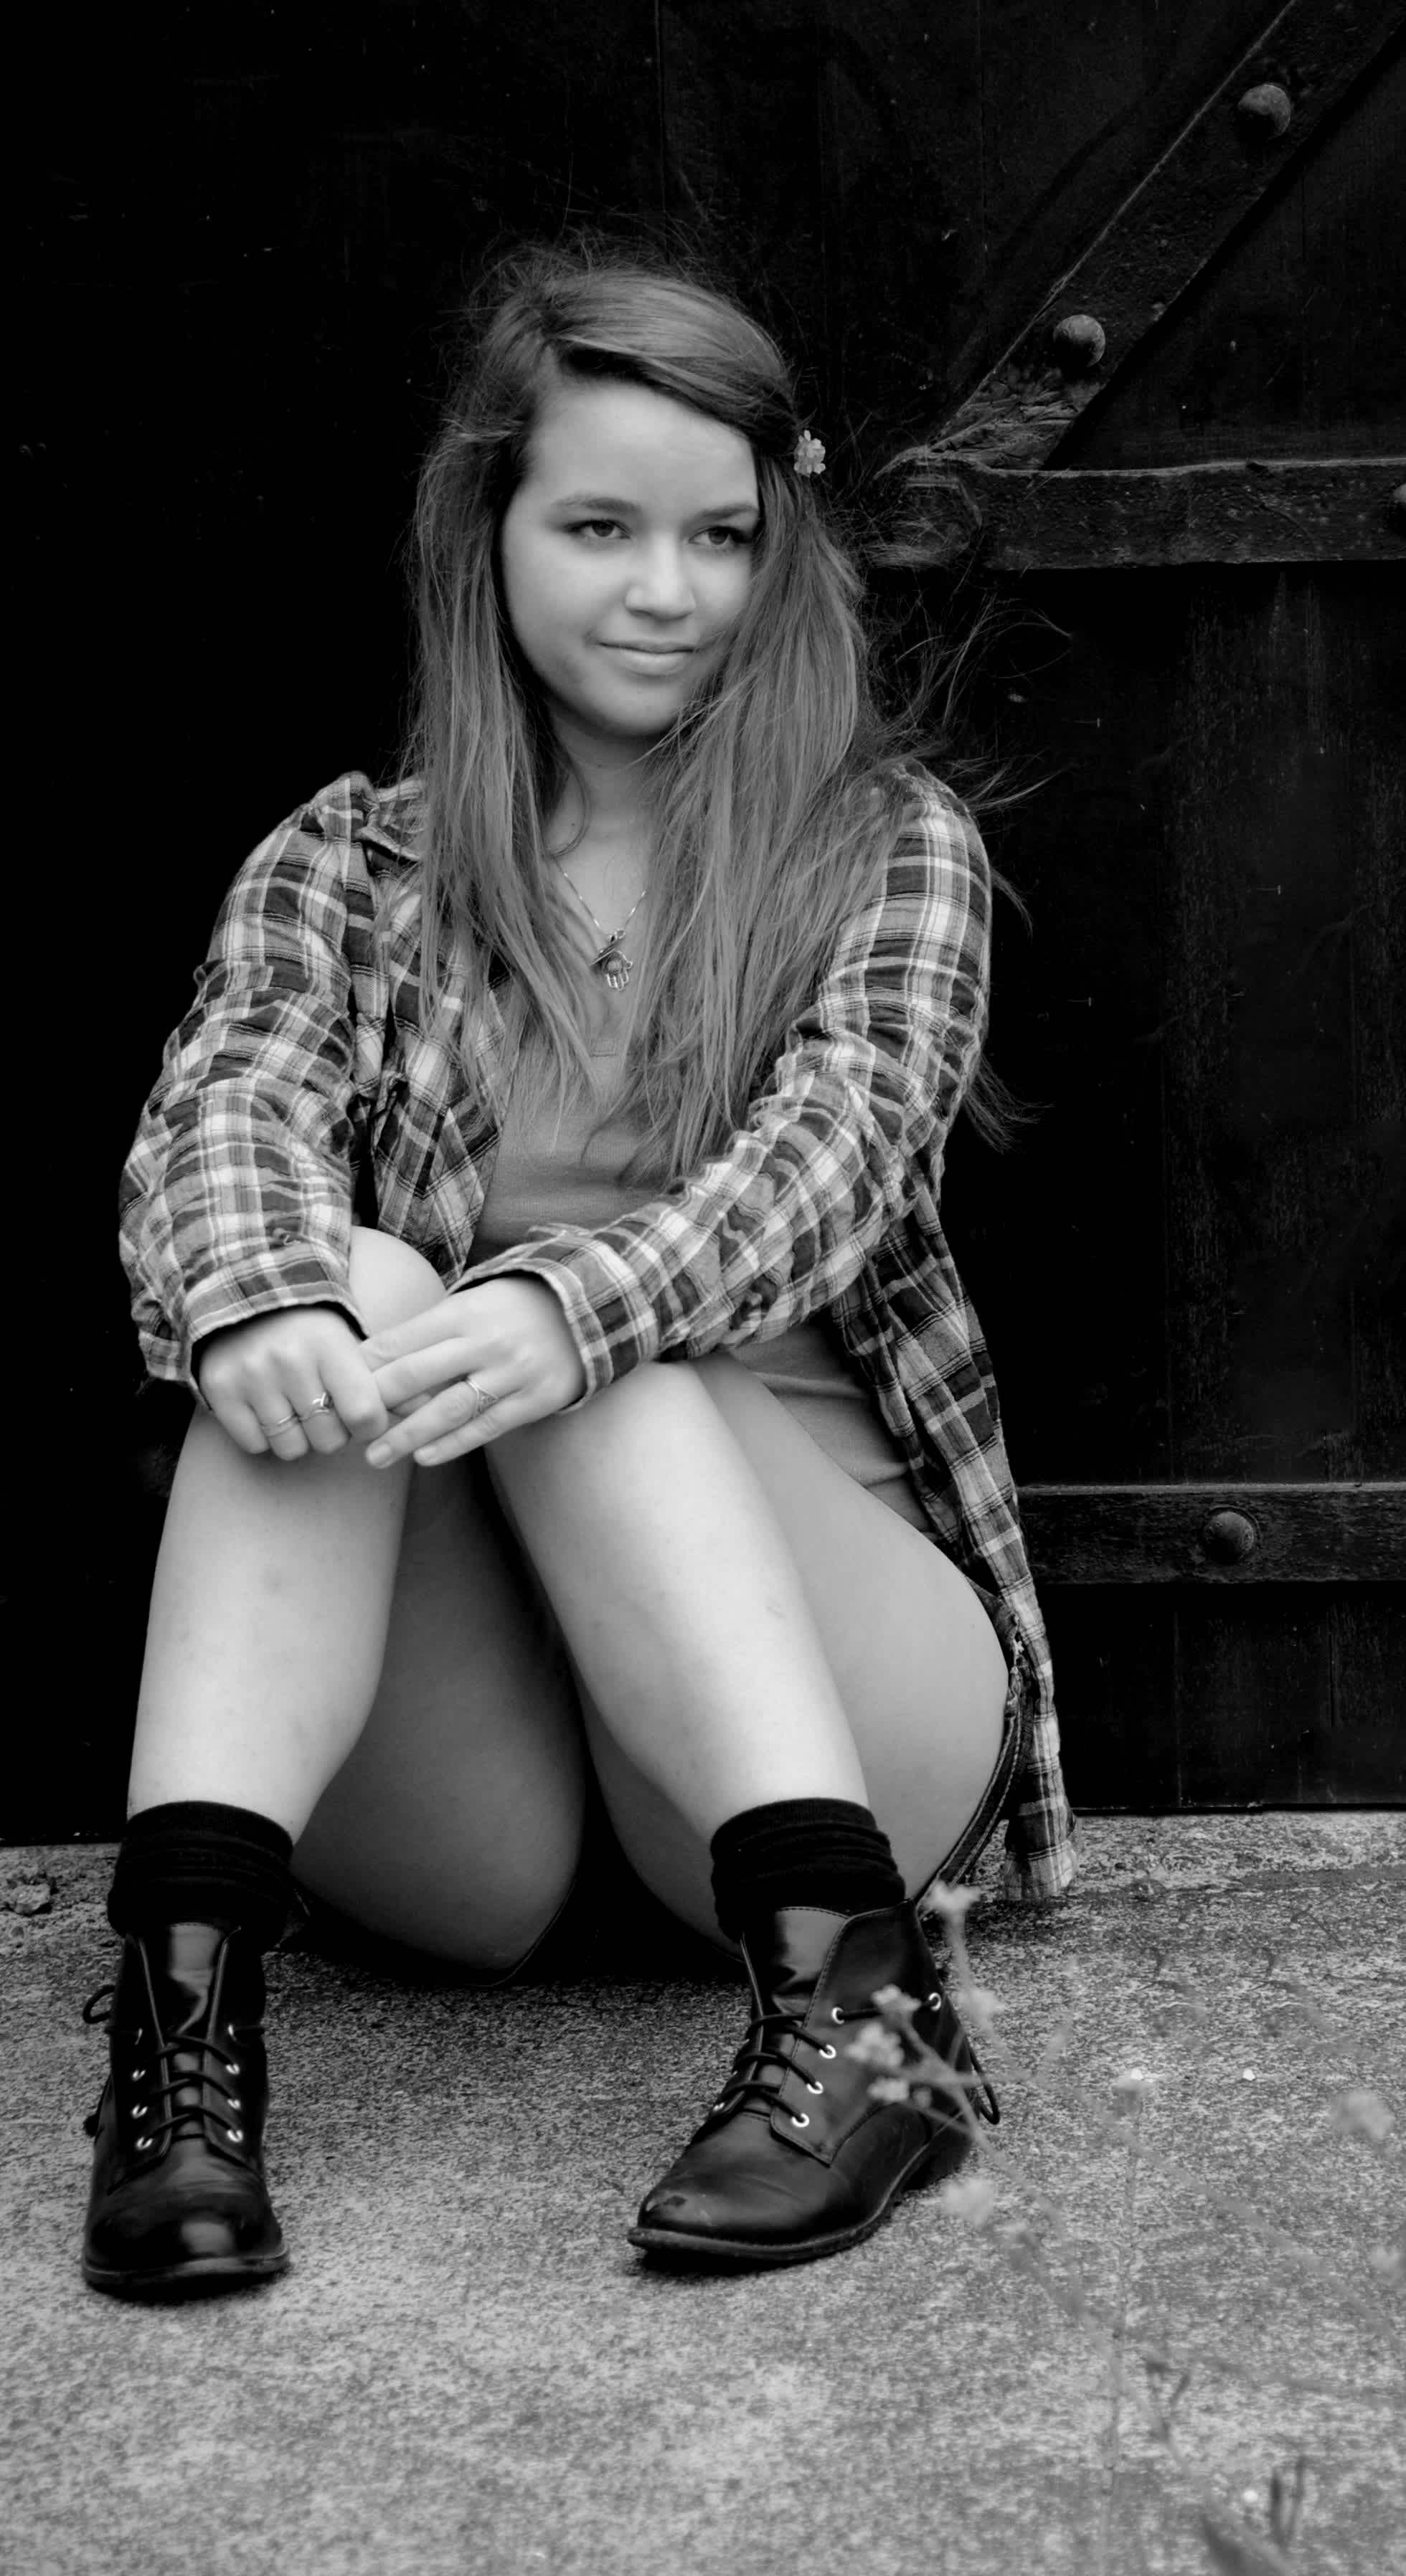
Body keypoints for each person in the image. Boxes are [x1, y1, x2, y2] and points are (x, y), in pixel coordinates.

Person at [88, 244, 1073, 2296]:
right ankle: (181, 2044)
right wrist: (261, 1293)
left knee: (588, 1324)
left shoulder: (878, 848)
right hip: (495, 1809)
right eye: (602, 527)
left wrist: (559, 1304)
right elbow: (225, 1111)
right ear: (494, 531)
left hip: (843, 1717)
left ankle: (869, 2025)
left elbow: (836, 1162)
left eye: (722, 535)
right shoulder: (348, 866)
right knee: (332, 1268)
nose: (666, 590)